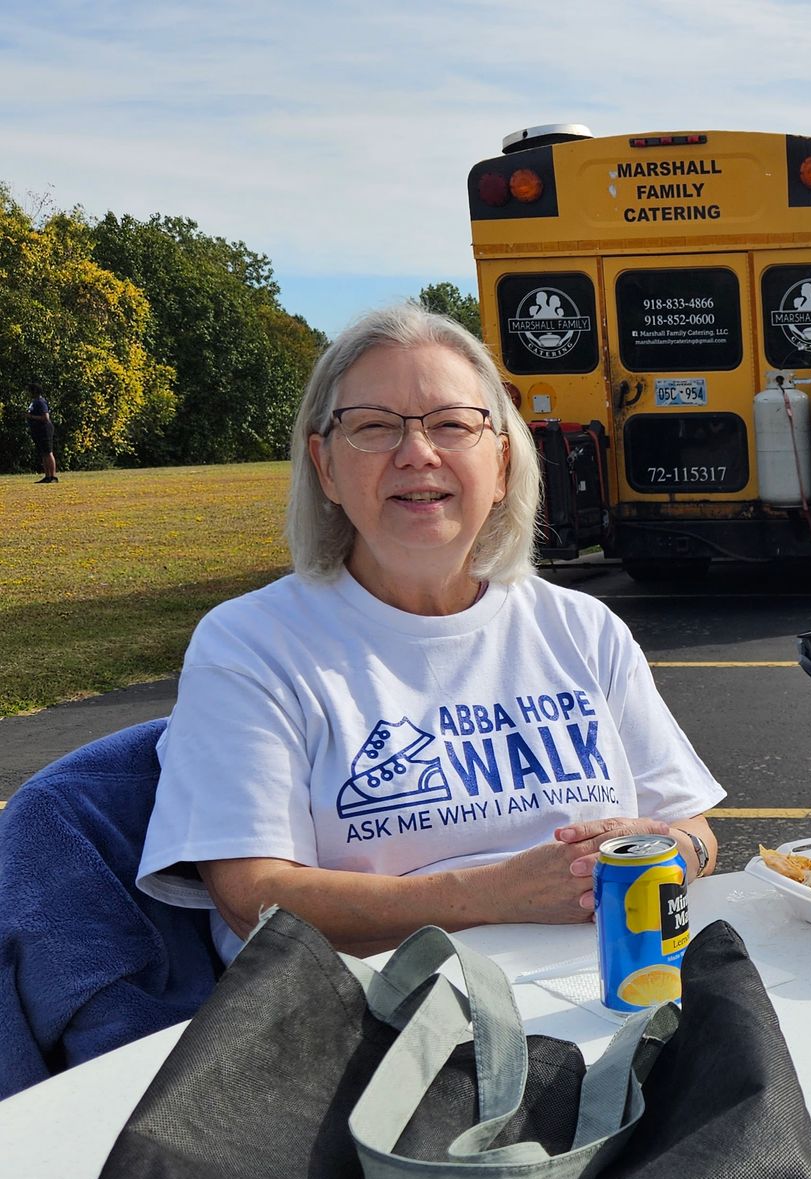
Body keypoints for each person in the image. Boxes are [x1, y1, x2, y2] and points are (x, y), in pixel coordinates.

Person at [137, 304, 724, 961]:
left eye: (451, 424)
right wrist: (494, 895)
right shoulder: (253, 645)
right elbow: (252, 895)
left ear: (501, 464)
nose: (417, 453)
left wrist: (678, 851)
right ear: (325, 465)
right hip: (381, 1032)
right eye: (373, 427)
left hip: (616, 993)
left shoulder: (583, 629)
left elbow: (690, 825)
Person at [27, 384, 57, 484]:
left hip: (45, 429)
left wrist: (31, 417)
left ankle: (53, 476)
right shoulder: (34, 402)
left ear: (35, 391)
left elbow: (45, 417)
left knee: (48, 452)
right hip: (38, 430)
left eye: (30, 391)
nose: (29, 393)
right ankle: (47, 476)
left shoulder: (40, 402)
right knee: (43, 453)